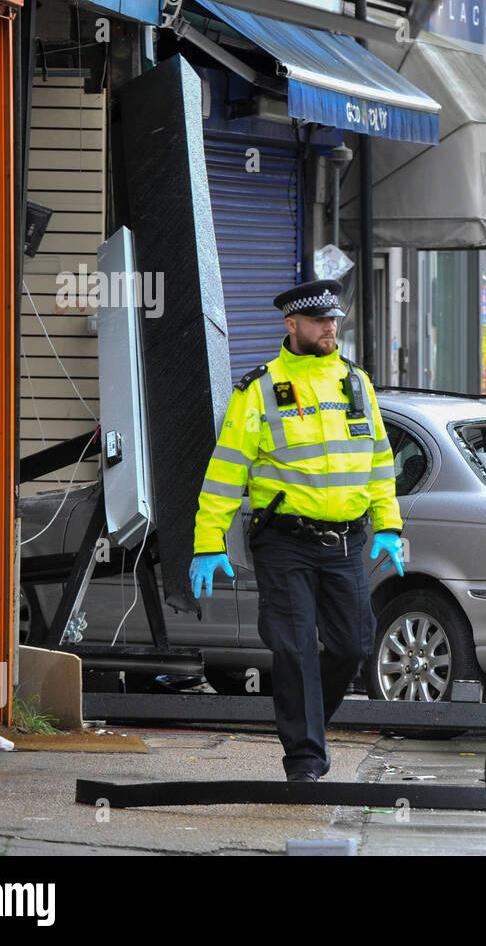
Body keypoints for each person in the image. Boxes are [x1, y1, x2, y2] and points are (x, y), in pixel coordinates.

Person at [188, 277, 406, 782]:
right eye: (319, 321)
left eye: (334, 320)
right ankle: (304, 758)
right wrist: (207, 541)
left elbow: (378, 462)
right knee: (293, 647)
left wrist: (389, 528)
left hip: (347, 540)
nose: (331, 328)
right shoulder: (259, 390)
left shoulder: (356, 383)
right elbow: (225, 471)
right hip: (284, 540)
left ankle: (310, 725)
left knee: (353, 645)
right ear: (292, 325)